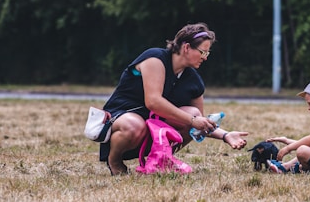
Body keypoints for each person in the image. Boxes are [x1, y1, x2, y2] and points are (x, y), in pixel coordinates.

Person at [100, 23, 249, 175]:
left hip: (151, 130)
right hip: (123, 121)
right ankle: (115, 161)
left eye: (207, 54)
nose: (205, 58)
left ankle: (160, 159)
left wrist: (225, 135)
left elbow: (198, 123)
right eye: (202, 52)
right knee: (135, 125)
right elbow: (153, 102)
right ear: (186, 47)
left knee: (193, 112)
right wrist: (192, 120)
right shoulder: (155, 59)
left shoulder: (193, 80)